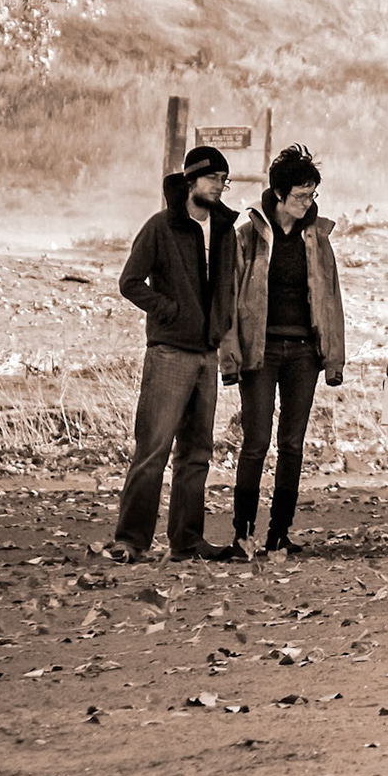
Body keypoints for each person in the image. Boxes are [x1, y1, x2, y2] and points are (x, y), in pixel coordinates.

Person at [104, 146, 242, 563]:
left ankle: (186, 542)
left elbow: (227, 288)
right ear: (191, 181)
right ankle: (130, 541)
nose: (220, 185)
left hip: (207, 353)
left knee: (197, 453)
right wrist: (170, 311)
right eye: (213, 178)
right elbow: (130, 282)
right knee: (153, 449)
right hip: (168, 353)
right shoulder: (161, 227)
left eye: (224, 179)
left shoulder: (224, 230)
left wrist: (220, 329)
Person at [224, 145, 346, 556]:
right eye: (299, 195)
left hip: (303, 354)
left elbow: (331, 299)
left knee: (293, 443)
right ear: (278, 194)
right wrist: (231, 356)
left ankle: (279, 533)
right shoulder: (248, 238)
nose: (307, 203)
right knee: (256, 441)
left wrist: (333, 358)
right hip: (261, 351)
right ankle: (242, 534)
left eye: (312, 195)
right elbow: (230, 300)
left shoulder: (317, 239)